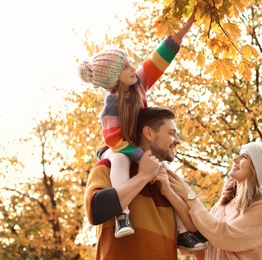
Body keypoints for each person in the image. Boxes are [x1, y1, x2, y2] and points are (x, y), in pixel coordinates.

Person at [78, 9, 203, 249]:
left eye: (129, 63)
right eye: (125, 67)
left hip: (139, 148)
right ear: (115, 79)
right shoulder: (111, 108)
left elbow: (158, 59)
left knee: (166, 174)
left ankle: (182, 231)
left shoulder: (139, 83)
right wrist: (141, 160)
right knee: (120, 162)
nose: (132, 68)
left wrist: (184, 30)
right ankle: (122, 215)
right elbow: (114, 139)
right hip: (119, 149)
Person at [84, 106, 206, 259]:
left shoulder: (171, 181)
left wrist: (169, 192)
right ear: (149, 133)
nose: (178, 141)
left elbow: (201, 235)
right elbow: (95, 211)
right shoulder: (110, 166)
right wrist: (143, 177)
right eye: (171, 133)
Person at [160, 142, 262, 259]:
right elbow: (200, 234)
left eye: (244, 157)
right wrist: (169, 193)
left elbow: (223, 236)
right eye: (239, 154)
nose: (235, 159)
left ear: (256, 169)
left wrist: (189, 195)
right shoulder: (222, 204)